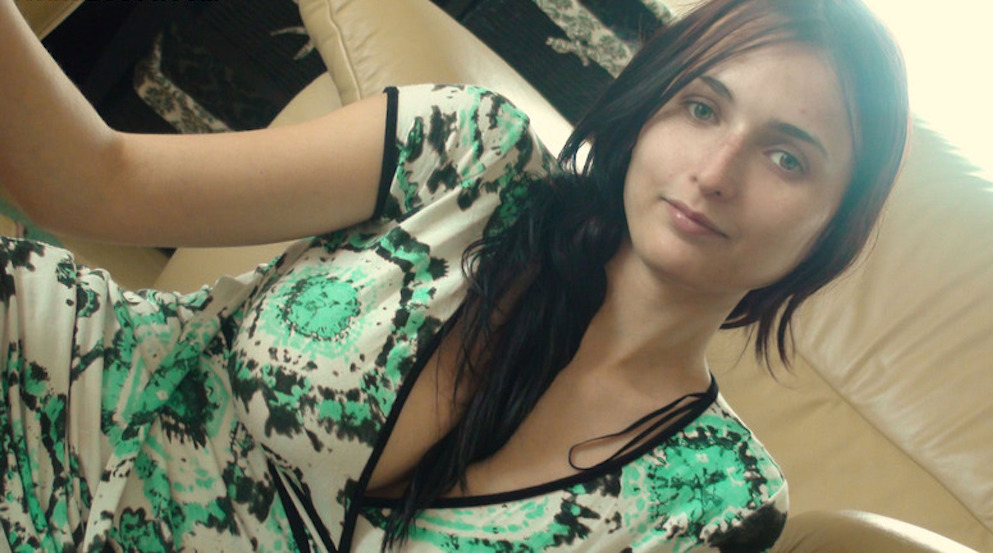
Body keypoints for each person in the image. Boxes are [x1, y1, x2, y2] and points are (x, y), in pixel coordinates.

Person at [0, 0, 908, 550]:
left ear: (835, 226)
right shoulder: (470, 150)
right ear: (649, 109)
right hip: (61, 407)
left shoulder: (716, 496)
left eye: (788, 158)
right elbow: (99, 181)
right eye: (702, 108)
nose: (715, 171)